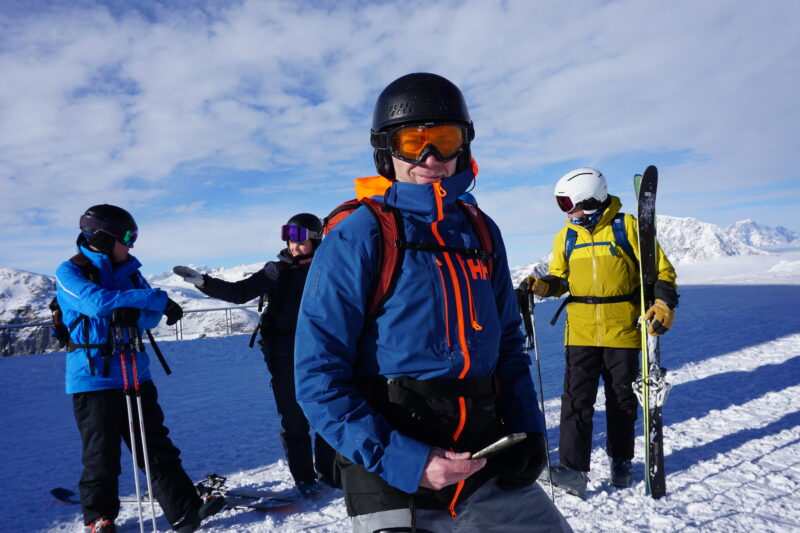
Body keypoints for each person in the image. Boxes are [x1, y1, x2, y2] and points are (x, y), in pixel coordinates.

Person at [294, 73, 572, 532]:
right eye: (412, 142)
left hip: (483, 453)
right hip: (392, 468)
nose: (430, 157)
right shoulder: (359, 235)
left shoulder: (481, 231)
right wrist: (408, 460)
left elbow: (507, 343)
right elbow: (317, 377)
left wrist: (528, 431)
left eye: (444, 140)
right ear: (387, 150)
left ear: (463, 146)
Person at [55, 204, 224, 533]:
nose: (132, 244)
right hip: (93, 379)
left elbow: (148, 317)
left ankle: (184, 510)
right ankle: (98, 518)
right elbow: (96, 304)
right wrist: (150, 298)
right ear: (103, 239)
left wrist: (139, 305)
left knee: (156, 447)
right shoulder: (70, 272)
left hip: (135, 374)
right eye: (127, 237)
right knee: (101, 456)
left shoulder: (130, 271)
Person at [519, 167, 678, 499]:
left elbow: (661, 270)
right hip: (580, 331)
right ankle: (574, 471)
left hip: (623, 329)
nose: (566, 211)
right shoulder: (568, 235)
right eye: (561, 205)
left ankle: (621, 461)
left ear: (589, 199)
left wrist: (663, 303)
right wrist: (544, 285)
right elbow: (561, 279)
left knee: (621, 400)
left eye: (568, 204)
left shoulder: (629, 228)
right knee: (576, 401)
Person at [172, 213, 336, 498]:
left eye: (300, 239)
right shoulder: (277, 270)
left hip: (322, 349)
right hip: (284, 352)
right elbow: (240, 293)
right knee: (293, 416)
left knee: (326, 411)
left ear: (315, 240)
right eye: (289, 238)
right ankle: (305, 477)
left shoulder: (328, 266)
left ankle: (329, 471)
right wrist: (203, 282)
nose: (293, 245)